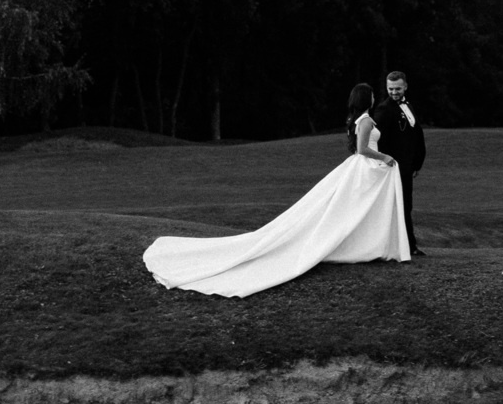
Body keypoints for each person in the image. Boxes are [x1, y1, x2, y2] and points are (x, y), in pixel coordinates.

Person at [141, 83, 408, 297]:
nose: (375, 97)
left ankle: (368, 244)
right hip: (364, 168)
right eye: (372, 95)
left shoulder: (360, 118)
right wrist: (384, 158)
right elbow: (363, 149)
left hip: (362, 169)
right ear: (367, 99)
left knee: (353, 209)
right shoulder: (365, 122)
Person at [369, 69, 427, 256]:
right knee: (399, 205)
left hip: (408, 165)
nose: (394, 93)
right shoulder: (384, 110)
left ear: (405, 87)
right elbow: (377, 139)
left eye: (398, 89)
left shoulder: (408, 105)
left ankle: (409, 245)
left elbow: (416, 135)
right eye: (391, 89)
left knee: (406, 204)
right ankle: (407, 247)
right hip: (394, 166)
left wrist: (417, 164)